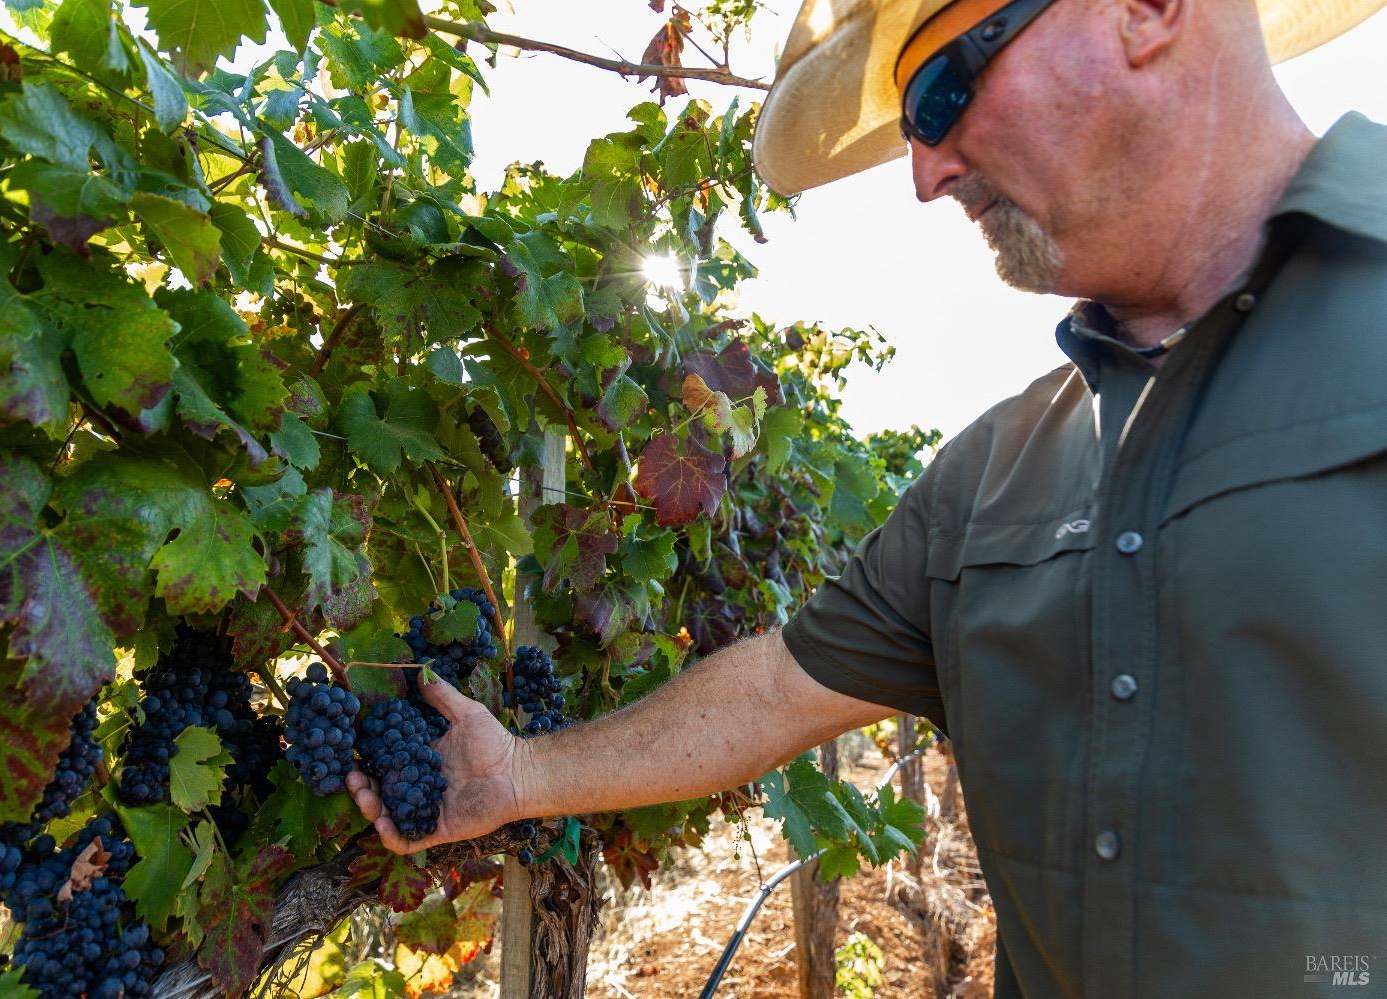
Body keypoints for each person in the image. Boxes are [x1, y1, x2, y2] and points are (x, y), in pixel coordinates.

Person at [350, 0, 1387, 994]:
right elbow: (773, 692)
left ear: (1144, 6)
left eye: (938, 95)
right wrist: (519, 777)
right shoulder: (993, 474)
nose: (926, 175)